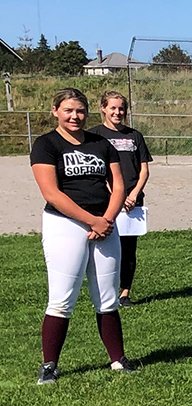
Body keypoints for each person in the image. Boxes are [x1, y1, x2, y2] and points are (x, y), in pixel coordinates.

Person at [30, 87, 128, 384]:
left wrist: (106, 220)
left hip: (105, 223)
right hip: (65, 224)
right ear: (55, 111)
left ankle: (118, 360)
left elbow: (119, 185)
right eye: (69, 110)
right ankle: (49, 365)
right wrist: (91, 221)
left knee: (108, 297)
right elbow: (51, 192)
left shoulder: (101, 143)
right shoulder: (46, 145)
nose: (75, 116)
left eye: (80, 111)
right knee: (62, 298)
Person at [87, 90, 152, 308]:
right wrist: (117, 194)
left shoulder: (135, 136)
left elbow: (144, 170)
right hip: (107, 201)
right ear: (103, 108)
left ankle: (125, 292)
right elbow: (96, 170)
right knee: (103, 246)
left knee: (128, 249)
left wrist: (133, 194)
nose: (117, 112)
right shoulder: (94, 135)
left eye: (121, 108)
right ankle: (104, 290)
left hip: (133, 204)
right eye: (113, 108)